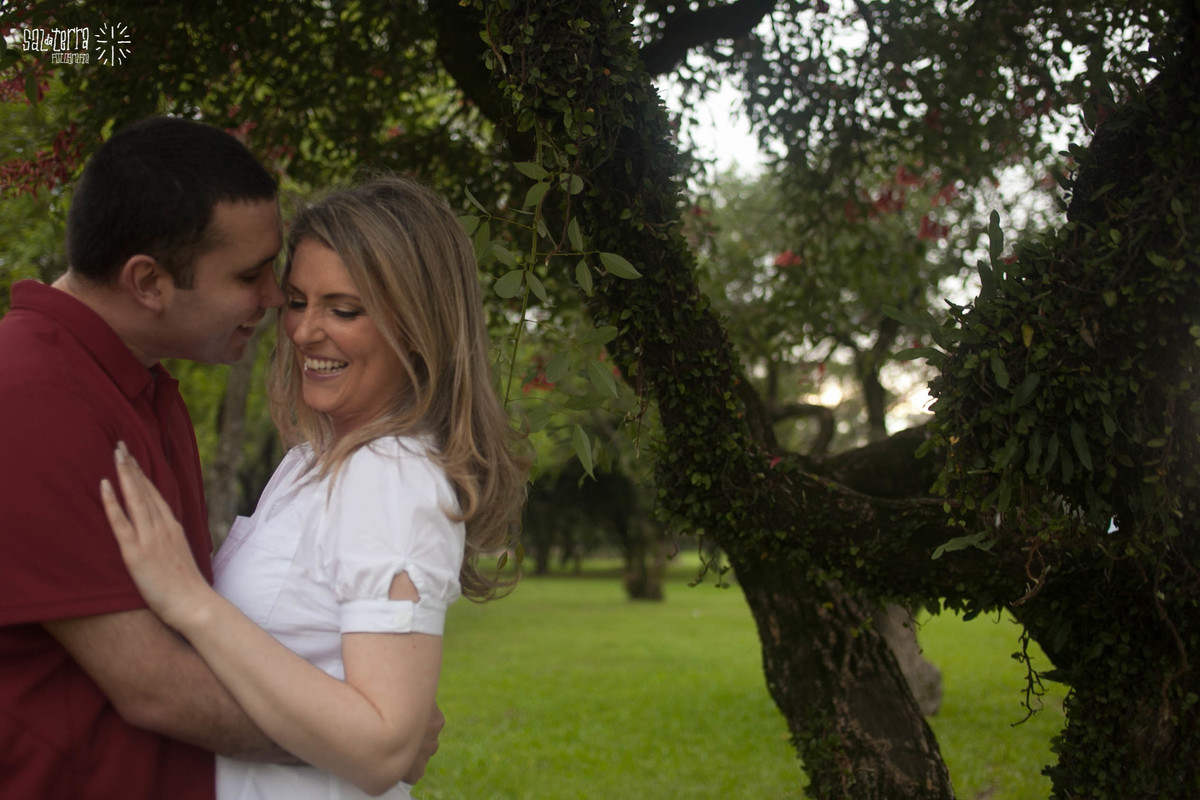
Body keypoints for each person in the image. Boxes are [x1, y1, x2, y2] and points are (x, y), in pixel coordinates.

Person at [0, 118, 439, 799]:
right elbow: (153, 685)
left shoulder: (142, 386)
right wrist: (367, 742)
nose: (275, 305)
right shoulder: (29, 394)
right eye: (253, 276)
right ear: (148, 282)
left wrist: (374, 731)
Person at [100, 175, 529, 798]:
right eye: (298, 301)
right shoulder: (311, 462)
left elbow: (384, 747)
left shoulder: (392, 474)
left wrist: (192, 602)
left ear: (417, 325)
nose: (303, 332)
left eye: (343, 310)